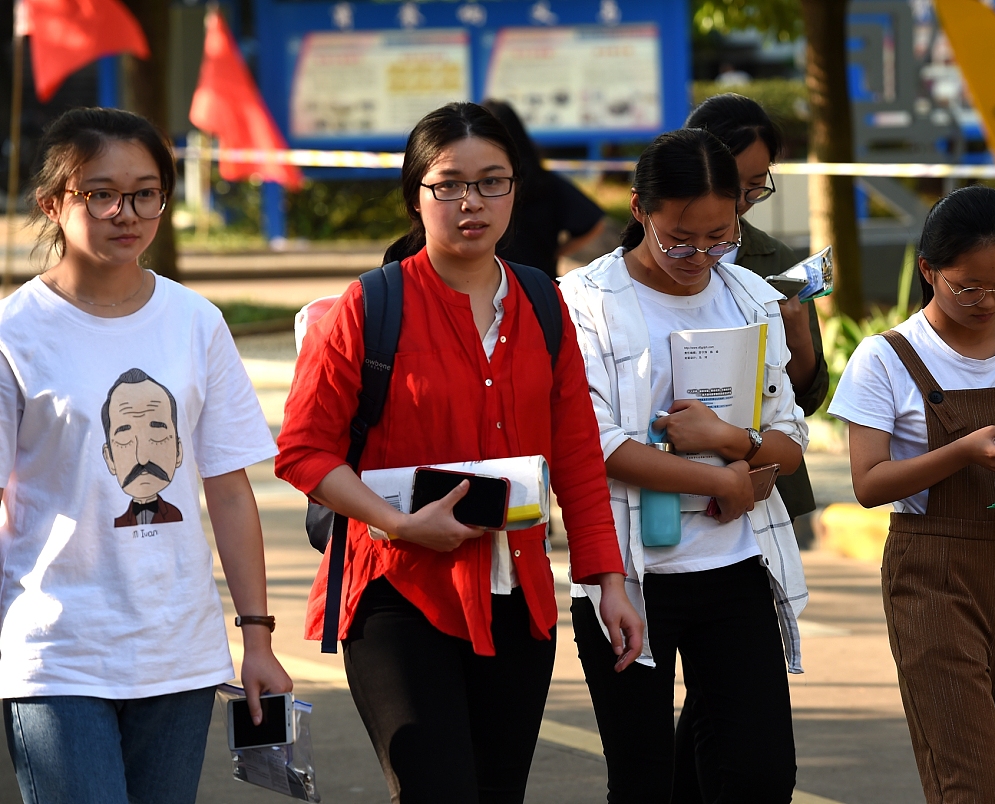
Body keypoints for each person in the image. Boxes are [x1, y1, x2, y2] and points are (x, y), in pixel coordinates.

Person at [275, 101, 643, 804]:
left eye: (492, 181)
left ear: (516, 190)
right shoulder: (365, 308)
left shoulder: (542, 303)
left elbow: (576, 458)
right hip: (396, 590)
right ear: (417, 194)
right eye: (448, 184)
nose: (471, 202)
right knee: (438, 789)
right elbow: (303, 453)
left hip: (519, 595)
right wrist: (395, 523)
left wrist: (609, 581)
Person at [0, 107, 291, 804]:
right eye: (99, 193)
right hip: (55, 652)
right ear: (52, 203)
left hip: (178, 652)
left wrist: (257, 638)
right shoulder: (17, 332)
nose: (124, 212)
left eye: (144, 193)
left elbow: (227, 489)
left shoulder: (196, 322)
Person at [559, 127, 809, 803]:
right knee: (643, 782)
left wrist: (735, 444)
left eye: (718, 236)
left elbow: (789, 438)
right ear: (640, 210)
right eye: (679, 238)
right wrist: (720, 479)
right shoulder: (584, 301)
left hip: (736, 568)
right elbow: (594, 444)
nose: (699, 255)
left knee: (758, 776)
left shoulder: (750, 294)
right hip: (630, 575)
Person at [827, 185, 995, 804]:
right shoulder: (885, 358)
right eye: (968, 287)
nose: (988, 301)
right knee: (968, 783)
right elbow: (868, 484)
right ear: (928, 270)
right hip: (933, 572)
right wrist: (962, 451)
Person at [685, 93, 829, 522]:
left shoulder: (776, 260)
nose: (744, 199)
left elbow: (807, 395)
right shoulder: (636, 265)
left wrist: (798, 333)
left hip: (763, 479)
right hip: (672, 471)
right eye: (734, 184)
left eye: (757, 185)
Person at [482, 98, 606, 280]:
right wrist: (556, 252)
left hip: (504, 282)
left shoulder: (478, 189)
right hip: (540, 283)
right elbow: (594, 221)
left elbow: (594, 221)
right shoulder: (545, 181)